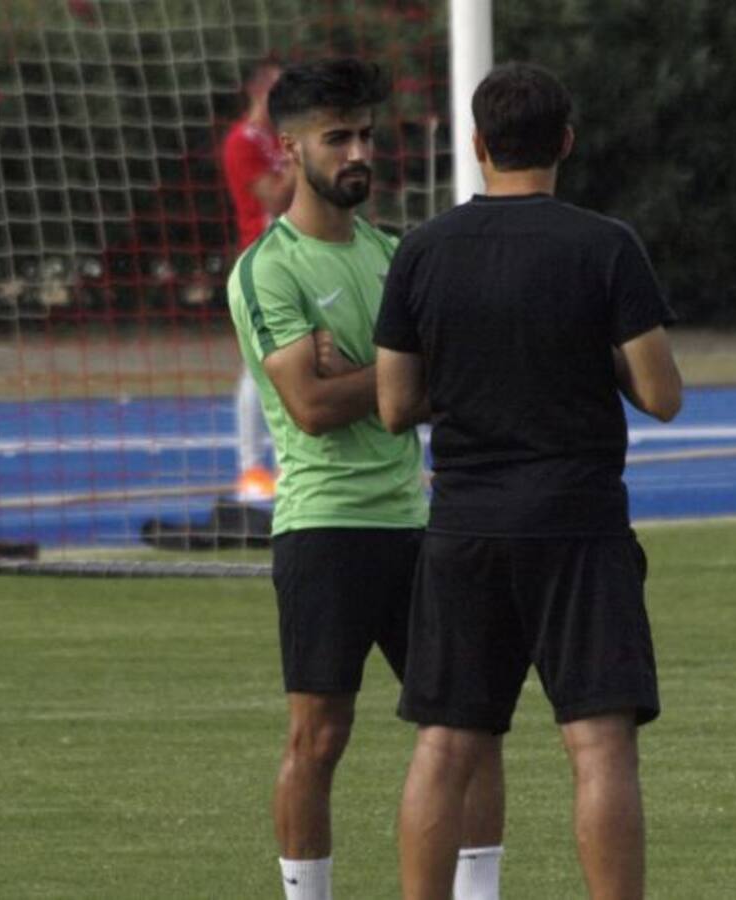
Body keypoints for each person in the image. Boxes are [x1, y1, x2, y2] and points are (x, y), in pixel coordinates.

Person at [374, 62, 683, 900]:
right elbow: (661, 395)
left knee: (445, 743)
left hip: (466, 522)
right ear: (566, 143)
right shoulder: (606, 245)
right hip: (577, 523)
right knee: (599, 744)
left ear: (478, 144)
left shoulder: (421, 250)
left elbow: (395, 405)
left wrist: (477, 380)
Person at [226, 58, 506, 900]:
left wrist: (372, 375)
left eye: (365, 136)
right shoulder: (269, 269)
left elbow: (453, 378)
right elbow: (312, 407)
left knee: (471, 726)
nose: (357, 153)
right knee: (318, 738)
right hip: (326, 528)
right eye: (336, 138)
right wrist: (400, 377)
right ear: (290, 148)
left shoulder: (399, 255)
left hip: (419, 526)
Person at [222, 59, 295, 502]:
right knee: (261, 362)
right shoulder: (243, 141)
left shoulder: (278, 139)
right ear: (257, 90)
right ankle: (250, 467)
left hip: (297, 256)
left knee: (297, 361)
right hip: (263, 259)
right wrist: (305, 156)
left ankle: (289, 463)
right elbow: (275, 196)